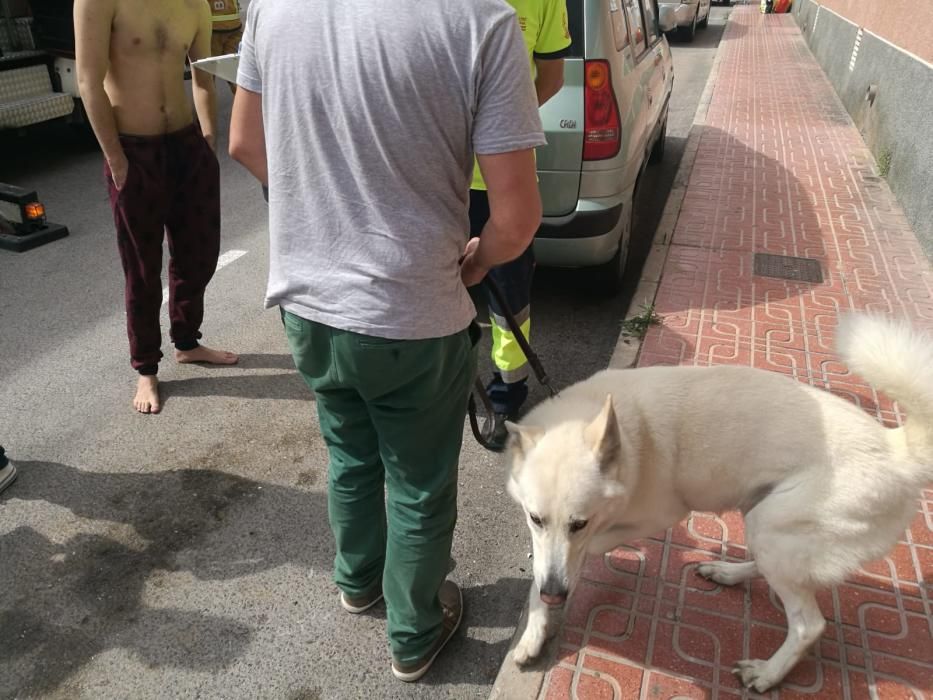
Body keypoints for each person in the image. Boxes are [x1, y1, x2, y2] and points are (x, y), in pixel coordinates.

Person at [229, 0, 544, 682]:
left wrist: (320, 212)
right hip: (410, 313)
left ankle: (357, 580)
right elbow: (515, 218)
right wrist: (479, 260)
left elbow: (245, 143)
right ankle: (414, 632)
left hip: (308, 307)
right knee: (419, 483)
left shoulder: (270, 8)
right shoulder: (480, 21)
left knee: (348, 450)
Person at [75, 0, 238, 415]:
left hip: (186, 144)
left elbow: (203, 75)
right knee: (142, 267)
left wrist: (208, 140)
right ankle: (146, 367)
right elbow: (88, 81)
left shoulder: (194, 4)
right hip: (133, 149)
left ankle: (187, 342)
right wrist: (116, 160)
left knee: (199, 255)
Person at [470, 0, 571, 448]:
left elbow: (550, 78)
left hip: (503, 178)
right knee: (432, 285)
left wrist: (494, 121)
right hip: (434, 175)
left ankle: (506, 389)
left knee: (509, 292)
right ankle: (441, 381)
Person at [206, 0, 243, 93]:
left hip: (212, 27)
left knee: (207, 75)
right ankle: (245, 105)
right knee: (233, 73)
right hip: (234, 24)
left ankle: (208, 106)